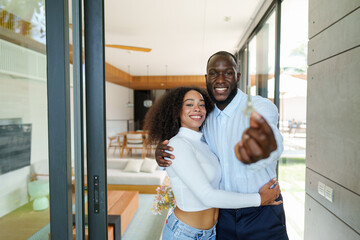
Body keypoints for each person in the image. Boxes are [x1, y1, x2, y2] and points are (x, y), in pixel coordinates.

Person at [155, 52, 289, 239]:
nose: (220, 79)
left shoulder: (259, 107)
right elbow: (189, 149)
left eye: (228, 73)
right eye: (213, 73)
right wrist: (163, 156)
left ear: (238, 77)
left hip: (263, 211)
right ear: (206, 78)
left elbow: (273, 144)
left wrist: (265, 145)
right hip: (223, 216)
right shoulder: (204, 118)